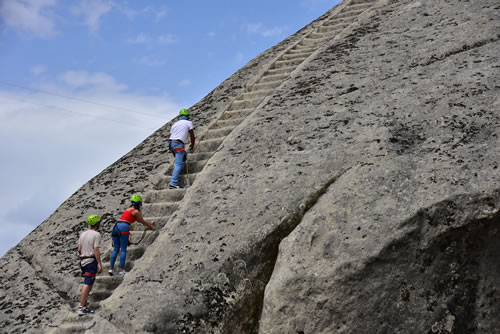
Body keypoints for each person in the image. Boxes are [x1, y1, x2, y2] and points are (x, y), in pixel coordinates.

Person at [109, 194, 155, 275]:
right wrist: (151, 226)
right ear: (138, 204)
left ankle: (111, 269)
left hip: (116, 227)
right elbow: (142, 221)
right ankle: (121, 270)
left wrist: (149, 224)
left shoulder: (127, 209)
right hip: (124, 227)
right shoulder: (136, 212)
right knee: (123, 249)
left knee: (116, 249)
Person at [77, 214, 103, 316]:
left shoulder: (83, 234)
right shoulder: (96, 235)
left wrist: (83, 254)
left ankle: (83, 305)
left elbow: (79, 249)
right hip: (91, 261)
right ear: (97, 223)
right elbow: (96, 249)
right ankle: (82, 307)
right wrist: (99, 264)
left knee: (89, 282)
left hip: (83, 261)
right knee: (87, 283)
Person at [168, 108, 195, 189]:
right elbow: (192, 135)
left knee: (183, 157)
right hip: (179, 144)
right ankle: (173, 183)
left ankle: (179, 173)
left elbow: (169, 137)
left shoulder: (174, 124)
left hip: (171, 143)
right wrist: (192, 144)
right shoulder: (188, 123)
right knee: (178, 164)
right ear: (187, 116)